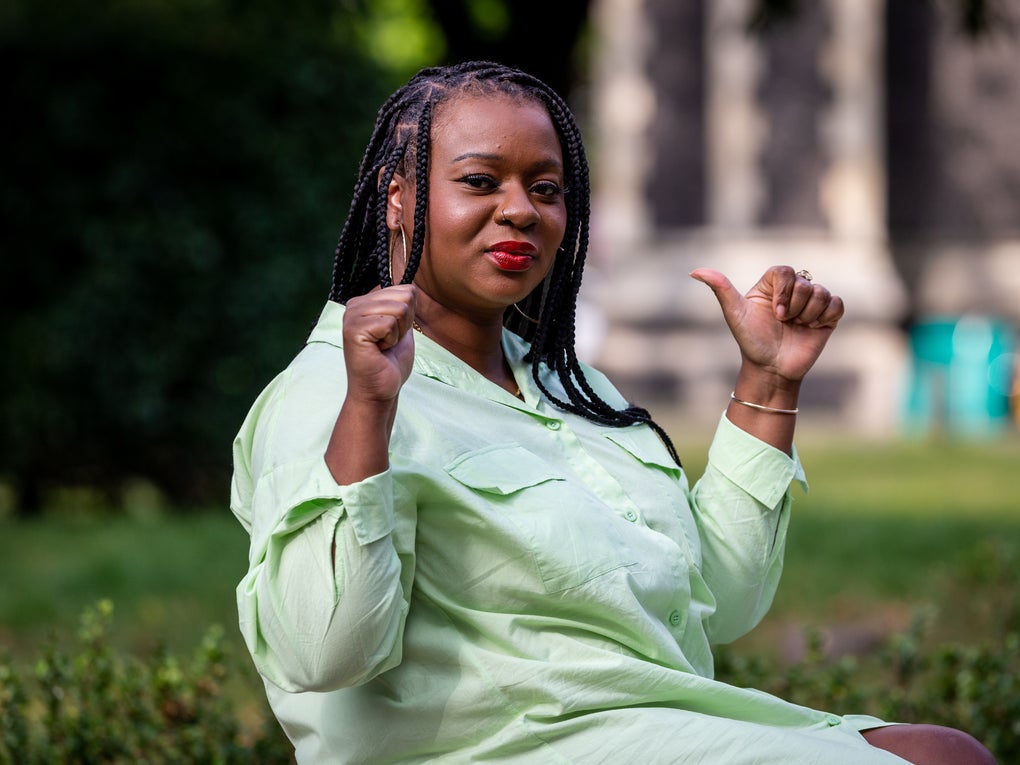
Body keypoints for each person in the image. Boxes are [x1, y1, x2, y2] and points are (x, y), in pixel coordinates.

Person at [230, 61, 996, 764]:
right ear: (397, 195)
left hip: (656, 726)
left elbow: (720, 603)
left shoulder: (569, 388)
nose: (520, 210)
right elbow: (321, 653)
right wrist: (369, 410)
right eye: (480, 181)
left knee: (943, 750)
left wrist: (768, 383)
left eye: (546, 188)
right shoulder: (330, 391)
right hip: (504, 749)